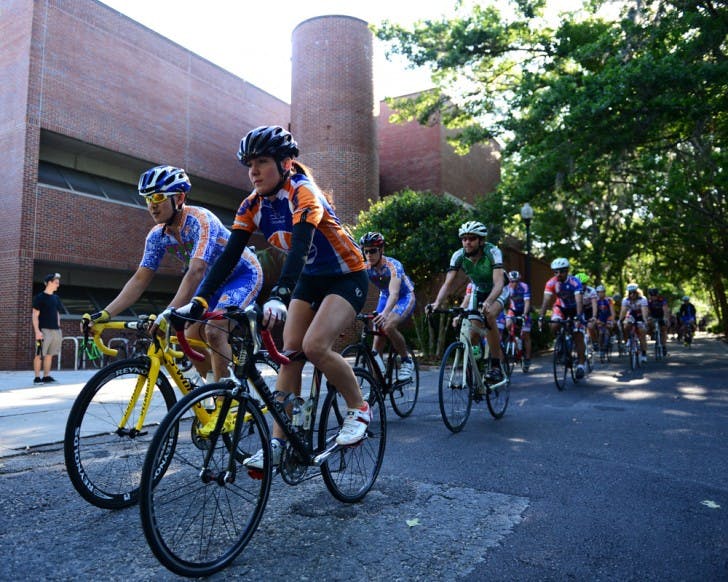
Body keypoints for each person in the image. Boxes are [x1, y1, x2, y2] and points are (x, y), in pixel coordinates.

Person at [171, 126, 370, 469]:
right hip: (309, 279)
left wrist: (279, 294)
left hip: (346, 275)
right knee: (289, 354)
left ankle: (359, 408)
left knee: (315, 346)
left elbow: (301, 246)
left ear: (286, 163)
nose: (253, 171)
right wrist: (199, 303)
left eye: (262, 162)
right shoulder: (251, 205)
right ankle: (278, 442)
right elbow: (228, 258)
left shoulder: (303, 192)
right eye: (250, 163)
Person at [85, 165, 263, 382]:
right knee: (188, 337)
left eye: (158, 197)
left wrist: (168, 313)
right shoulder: (156, 236)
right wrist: (105, 314)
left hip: (243, 274)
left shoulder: (200, 220)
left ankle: (228, 402)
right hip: (213, 282)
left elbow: (196, 270)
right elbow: (140, 279)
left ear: (179, 198)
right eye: (148, 198)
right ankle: (213, 393)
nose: (152, 205)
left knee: (215, 332)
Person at [427, 220, 509, 384]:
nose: (467, 242)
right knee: (472, 335)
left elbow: (499, 283)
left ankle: (496, 365)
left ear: (481, 240)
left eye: (471, 238)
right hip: (479, 291)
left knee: (489, 315)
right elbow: (448, 283)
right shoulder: (458, 256)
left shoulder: (492, 252)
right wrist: (436, 303)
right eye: (464, 239)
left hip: (498, 289)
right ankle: (478, 367)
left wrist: (489, 301)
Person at [359, 231, 416, 381]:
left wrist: (385, 313)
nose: (369, 255)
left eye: (373, 251)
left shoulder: (393, 266)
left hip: (404, 296)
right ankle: (377, 386)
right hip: (385, 296)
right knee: (375, 345)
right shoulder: (365, 266)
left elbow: (395, 293)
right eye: (366, 251)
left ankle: (406, 361)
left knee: (388, 325)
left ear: (381, 250)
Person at [538, 258, 588, 379]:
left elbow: (579, 301)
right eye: (555, 272)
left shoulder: (575, 282)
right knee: (554, 324)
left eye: (561, 271)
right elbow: (546, 301)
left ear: (567, 271)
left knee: (578, 335)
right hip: (561, 307)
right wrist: (541, 317)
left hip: (575, 308)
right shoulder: (551, 283)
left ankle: (581, 364)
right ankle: (560, 343)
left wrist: (578, 316)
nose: (558, 274)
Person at [32, 273, 64, 383]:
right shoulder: (40, 297)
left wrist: (58, 327)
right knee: (39, 354)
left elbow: (57, 312)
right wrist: (37, 331)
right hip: (43, 331)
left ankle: (46, 376)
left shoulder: (56, 298)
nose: (58, 285)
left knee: (49, 355)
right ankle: (37, 378)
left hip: (55, 331)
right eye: (56, 283)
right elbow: (35, 315)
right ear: (49, 282)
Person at [505, 270, 533, 372]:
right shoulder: (507, 287)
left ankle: (527, 359)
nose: (514, 283)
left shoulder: (524, 286)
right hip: (513, 310)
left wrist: (524, 315)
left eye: (516, 281)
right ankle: (514, 339)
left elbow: (527, 302)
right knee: (507, 324)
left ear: (519, 281)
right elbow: (503, 300)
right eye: (511, 281)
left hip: (524, 311)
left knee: (525, 334)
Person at [618, 283, 649, 363]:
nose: (632, 295)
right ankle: (628, 339)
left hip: (640, 315)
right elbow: (623, 311)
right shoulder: (625, 300)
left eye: (634, 292)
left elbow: (644, 311)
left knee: (642, 332)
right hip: (631, 315)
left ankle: (644, 353)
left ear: (637, 292)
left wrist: (645, 320)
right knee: (626, 325)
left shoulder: (643, 299)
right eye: (630, 293)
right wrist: (620, 320)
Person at [646, 288, 669, 356]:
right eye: (652, 295)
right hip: (653, 316)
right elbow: (647, 310)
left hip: (661, 316)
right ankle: (652, 333)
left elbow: (665, 309)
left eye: (655, 295)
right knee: (648, 324)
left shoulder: (662, 299)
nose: (653, 297)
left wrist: (665, 317)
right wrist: (647, 317)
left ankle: (664, 346)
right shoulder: (648, 301)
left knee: (663, 329)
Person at [594, 284, 616, 355]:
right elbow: (595, 312)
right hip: (600, 318)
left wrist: (612, 319)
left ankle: (612, 336)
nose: (600, 294)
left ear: (604, 292)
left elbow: (612, 312)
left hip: (608, 317)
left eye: (602, 292)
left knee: (608, 329)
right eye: (599, 292)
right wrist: (597, 320)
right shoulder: (596, 301)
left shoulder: (609, 300)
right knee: (600, 333)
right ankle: (600, 348)